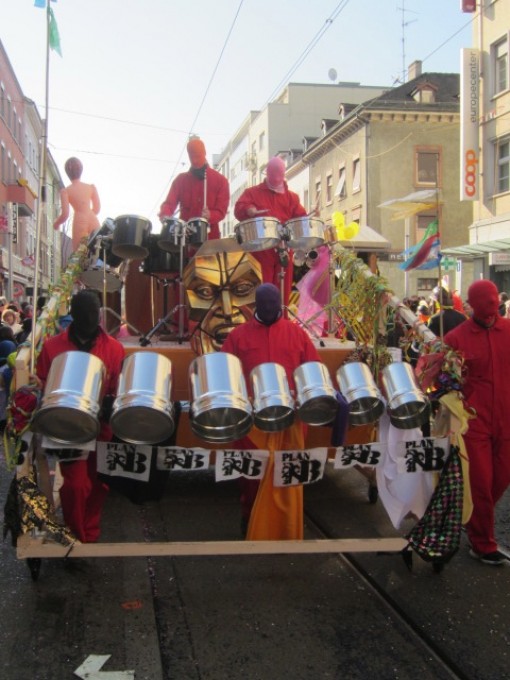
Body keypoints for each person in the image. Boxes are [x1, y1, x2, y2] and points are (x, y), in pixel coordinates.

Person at [221, 283, 321, 539]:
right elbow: (225, 372)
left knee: (288, 474)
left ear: (280, 305)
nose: (268, 309)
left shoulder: (297, 334)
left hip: (290, 420)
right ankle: (249, 518)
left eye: (272, 305)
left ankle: (287, 527)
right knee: (251, 474)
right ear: (255, 304)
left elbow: (312, 369)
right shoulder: (238, 336)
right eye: (263, 305)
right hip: (252, 421)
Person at [36, 290, 125, 543]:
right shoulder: (52, 346)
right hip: (67, 428)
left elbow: (117, 387)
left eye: (93, 312)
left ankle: (90, 533)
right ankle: (76, 538)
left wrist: (111, 403)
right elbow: (42, 380)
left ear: (99, 314)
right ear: (73, 314)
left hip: (101, 427)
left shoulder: (114, 348)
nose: (89, 317)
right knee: (76, 485)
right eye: (83, 312)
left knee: (100, 484)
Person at [444, 279, 510, 565]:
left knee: (501, 479)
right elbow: (443, 381)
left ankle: (472, 516)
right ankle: (483, 543)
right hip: (474, 422)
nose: (490, 311)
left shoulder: (509, 331)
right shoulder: (456, 339)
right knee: (481, 482)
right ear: (471, 305)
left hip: (507, 418)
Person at [234, 156, 308, 307]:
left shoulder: (292, 198)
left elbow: (300, 218)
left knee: (283, 293)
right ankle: (261, 318)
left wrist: (309, 217)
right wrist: (248, 210)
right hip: (261, 249)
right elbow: (238, 208)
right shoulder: (252, 193)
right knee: (262, 290)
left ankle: (281, 319)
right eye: (273, 175)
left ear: (283, 174)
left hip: (284, 250)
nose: (276, 179)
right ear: (267, 173)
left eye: (279, 176)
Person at [159, 137, 229, 241]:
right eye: (192, 157)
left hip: (209, 239)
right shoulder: (180, 180)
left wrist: (210, 215)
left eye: (198, 156)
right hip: (185, 239)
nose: (195, 160)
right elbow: (169, 204)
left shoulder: (220, 180)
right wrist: (165, 216)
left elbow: (221, 210)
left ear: (204, 153)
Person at [53, 157, 101, 252]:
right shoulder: (90, 187)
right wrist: (89, 214)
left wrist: (56, 223)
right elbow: (97, 208)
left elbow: (65, 214)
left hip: (79, 222)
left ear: (67, 172)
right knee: (98, 249)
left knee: (79, 254)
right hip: (93, 220)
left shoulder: (66, 191)